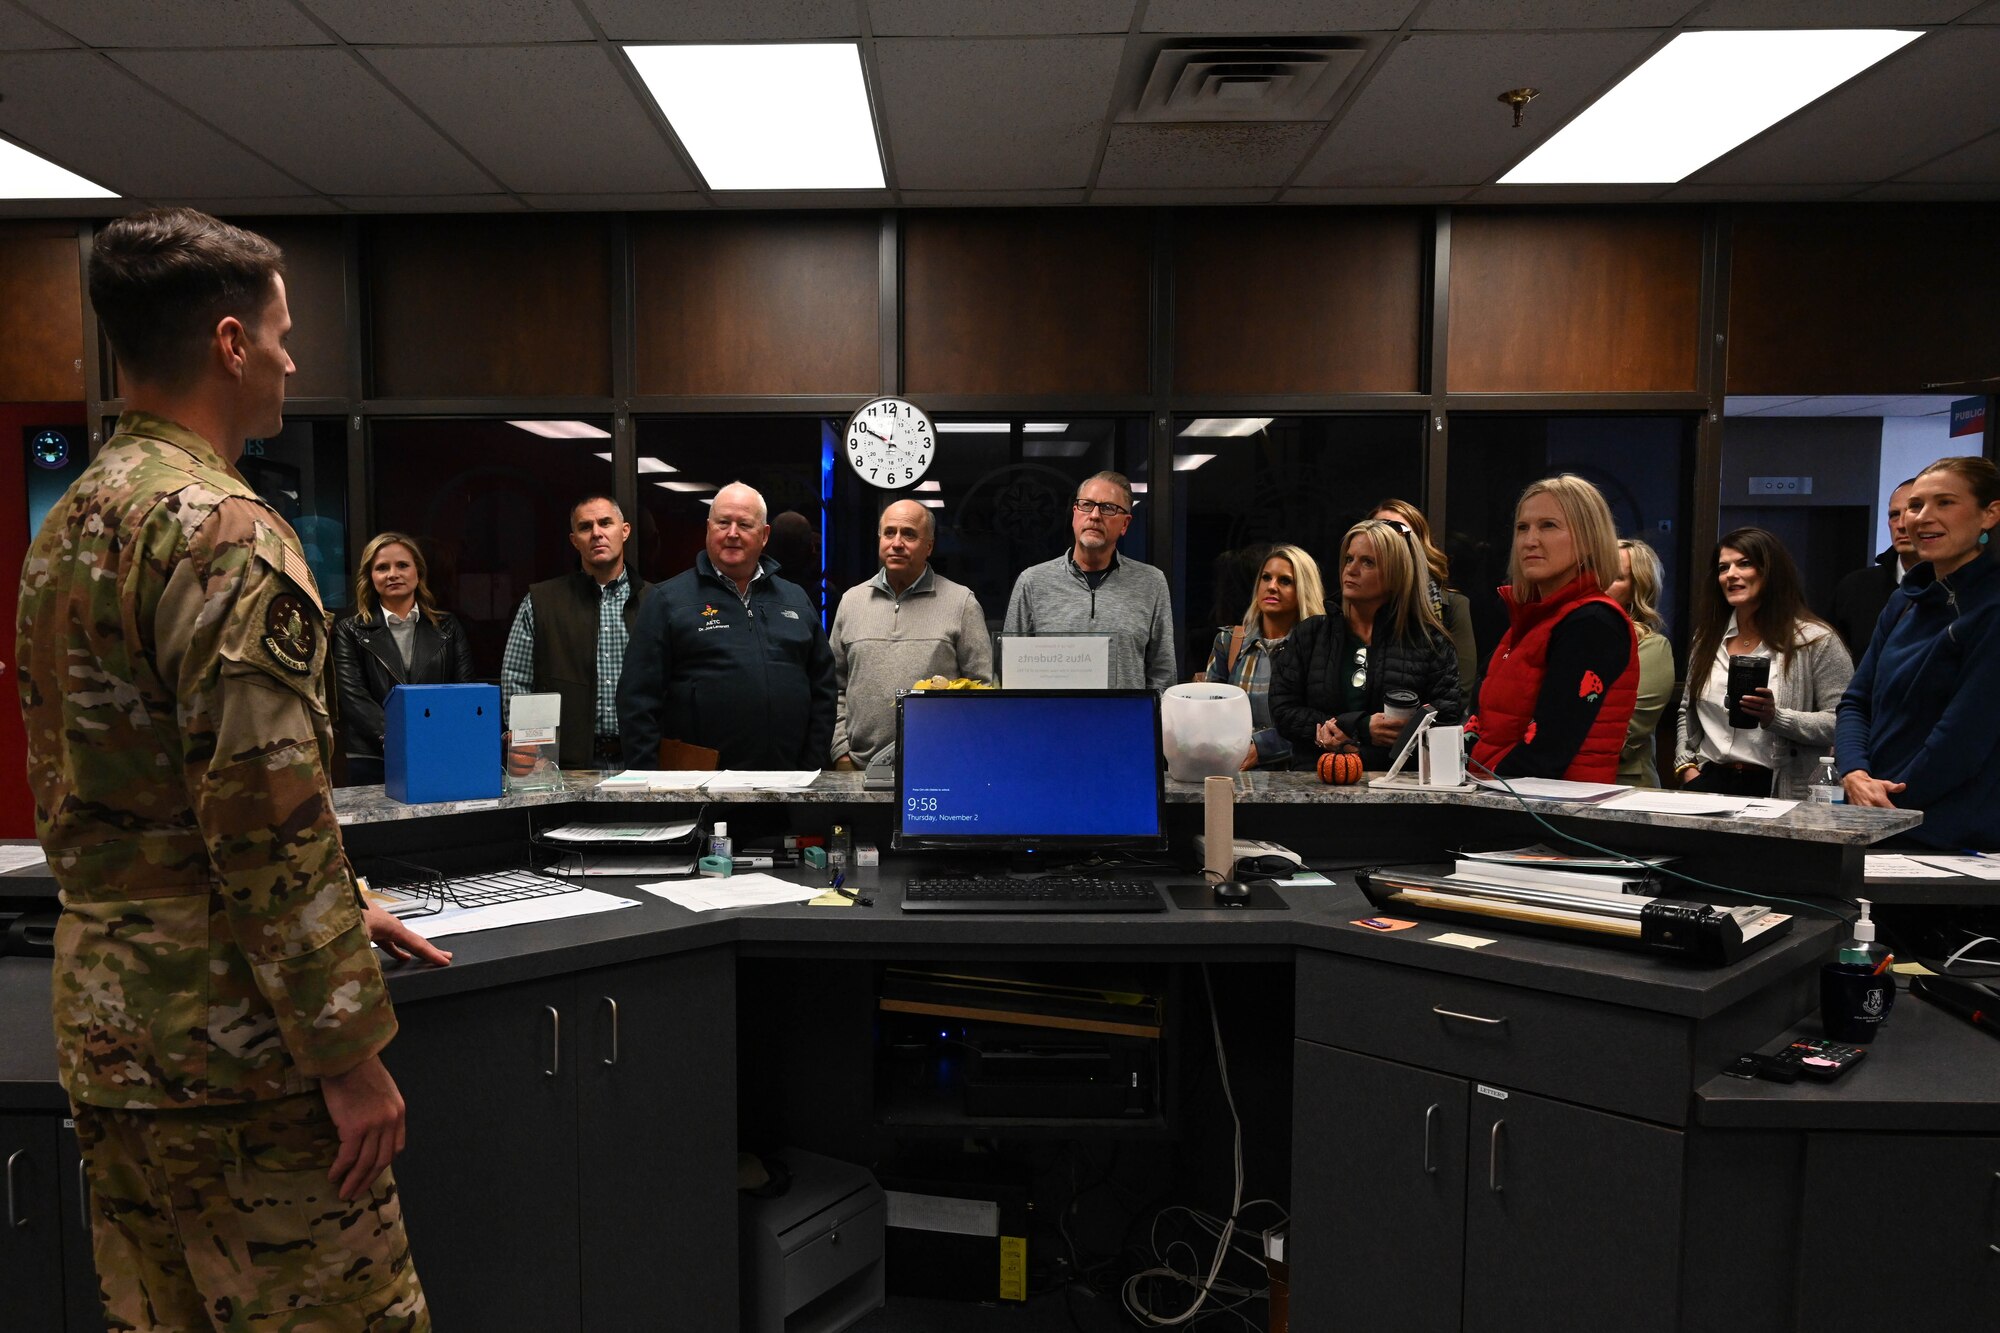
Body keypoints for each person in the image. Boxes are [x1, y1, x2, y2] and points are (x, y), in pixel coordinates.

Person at [16, 207, 448, 1331]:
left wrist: (348, 906)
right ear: (228, 342)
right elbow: (266, 821)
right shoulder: (224, 530)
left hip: (113, 1039)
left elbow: (131, 784)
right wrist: (349, 1054)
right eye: (283, 331)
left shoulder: (70, 524)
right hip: (240, 1059)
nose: (293, 358)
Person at [1836, 456, 2000, 848]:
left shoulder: (1991, 608)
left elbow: (1963, 737)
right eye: (1915, 505)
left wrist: (1885, 803)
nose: (1922, 517)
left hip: (1950, 836)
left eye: (1945, 503)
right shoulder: (1904, 601)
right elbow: (1856, 702)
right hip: (1874, 818)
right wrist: (1855, 773)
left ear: (1989, 515)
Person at [619, 481, 836, 770]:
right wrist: (653, 785)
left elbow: (823, 688)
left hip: (788, 786)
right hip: (696, 786)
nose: (732, 534)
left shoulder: (795, 599)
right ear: (708, 528)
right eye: (723, 523)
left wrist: (811, 766)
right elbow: (637, 700)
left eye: (744, 524)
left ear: (764, 535)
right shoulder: (668, 600)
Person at [1465, 475, 1637, 783]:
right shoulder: (1532, 620)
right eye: (1522, 528)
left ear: (1589, 539)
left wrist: (1476, 787)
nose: (1530, 540)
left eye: (1548, 526)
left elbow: (1547, 753)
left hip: (1550, 813)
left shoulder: (1593, 622)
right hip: (1506, 800)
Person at [1674, 528, 1852, 799]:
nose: (1731, 574)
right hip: (1707, 783)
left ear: (1771, 571)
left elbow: (1843, 722)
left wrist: (1775, 717)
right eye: (1723, 567)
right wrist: (1686, 767)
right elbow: (1688, 710)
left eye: (1744, 564)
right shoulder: (1708, 637)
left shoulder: (1815, 641)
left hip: (1777, 786)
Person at [1269, 522, 1460, 771]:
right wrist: (1358, 726)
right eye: (1349, 559)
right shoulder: (1311, 634)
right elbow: (1283, 712)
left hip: (1396, 787)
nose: (1351, 570)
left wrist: (1360, 752)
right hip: (1316, 781)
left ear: (1396, 574)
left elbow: (1445, 726)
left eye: (1368, 562)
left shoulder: (1431, 644)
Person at [829, 499, 995, 770]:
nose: (896, 542)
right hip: (858, 768)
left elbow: (981, 690)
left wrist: (962, 755)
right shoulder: (851, 602)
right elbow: (833, 687)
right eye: (889, 532)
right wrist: (840, 752)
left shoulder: (961, 603)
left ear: (928, 546)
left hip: (939, 769)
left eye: (909, 534)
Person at [500, 495, 650, 769]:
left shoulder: (656, 601)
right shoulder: (541, 601)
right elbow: (516, 682)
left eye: (605, 523)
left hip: (642, 762)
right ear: (574, 540)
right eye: (585, 527)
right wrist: (532, 753)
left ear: (624, 531)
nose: (597, 533)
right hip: (564, 766)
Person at [1003, 471, 1176, 690]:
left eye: (1108, 508)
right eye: (1086, 505)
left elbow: (1163, 673)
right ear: (1075, 514)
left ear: (1125, 524)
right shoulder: (1033, 582)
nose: (1094, 515)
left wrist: (1149, 721)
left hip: (1125, 722)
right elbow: (1008, 670)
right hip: (1052, 722)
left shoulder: (1151, 582)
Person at [333, 532, 477, 785]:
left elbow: (463, 690)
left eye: (402, 565)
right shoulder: (349, 629)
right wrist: (396, 737)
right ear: (370, 577)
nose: (392, 574)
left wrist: (434, 737)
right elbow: (352, 697)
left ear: (418, 572)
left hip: (437, 751)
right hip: (372, 756)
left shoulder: (448, 627)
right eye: (381, 568)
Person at [1201, 544, 1326, 770]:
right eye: (1266, 578)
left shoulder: (1317, 647)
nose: (1272, 587)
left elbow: (1322, 723)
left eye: (1285, 581)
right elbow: (1208, 716)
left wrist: (1263, 747)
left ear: (1304, 590)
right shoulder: (1230, 642)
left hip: (1295, 778)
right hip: (1234, 774)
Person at [1370, 498, 1479, 701]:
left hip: (1426, 723)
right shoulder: (1358, 603)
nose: (1387, 540)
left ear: (1419, 544)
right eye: (1377, 530)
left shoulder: (1451, 606)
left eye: (1398, 531)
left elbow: (1461, 687)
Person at [1607, 537, 1675, 787]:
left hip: (1625, 786)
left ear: (1636, 591)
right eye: (1597, 572)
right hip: (1561, 780)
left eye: (1615, 577)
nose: (1600, 583)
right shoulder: (1570, 637)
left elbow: (1626, 732)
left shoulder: (1651, 647)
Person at [1828, 478, 1918, 656]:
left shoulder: (1958, 587)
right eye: (1894, 515)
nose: (1901, 525)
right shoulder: (1856, 587)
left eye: (1912, 513)